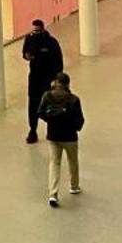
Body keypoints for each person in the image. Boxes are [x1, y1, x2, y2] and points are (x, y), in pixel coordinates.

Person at [37, 70, 85, 206]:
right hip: (69, 137)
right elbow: (80, 120)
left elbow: (40, 112)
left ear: (56, 82)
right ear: (67, 84)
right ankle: (74, 186)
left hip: (53, 135)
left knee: (54, 163)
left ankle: (53, 193)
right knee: (73, 161)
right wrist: (75, 128)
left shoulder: (47, 96)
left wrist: (50, 121)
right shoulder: (74, 100)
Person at [21, 18, 63, 143]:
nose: (34, 33)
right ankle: (33, 130)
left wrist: (56, 79)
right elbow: (24, 52)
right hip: (34, 78)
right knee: (33, 104)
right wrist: (27, 56)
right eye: (33, 31)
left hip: (48, 78)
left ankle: (52, 129)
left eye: (37, 31)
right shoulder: (29, 38)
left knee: (50, 104)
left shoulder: (51, 42)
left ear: (43, 29)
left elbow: (58, 61)